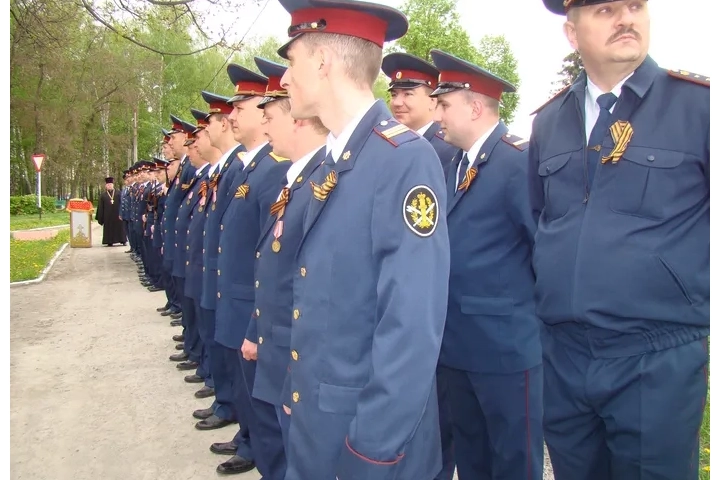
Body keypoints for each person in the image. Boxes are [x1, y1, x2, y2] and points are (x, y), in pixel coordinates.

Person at [530, 1, 710, 479]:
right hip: (565, 355)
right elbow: (539, 221)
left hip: (654, 356)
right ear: (573, 32)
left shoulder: (698, 106)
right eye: (607, 9)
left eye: (635, 5)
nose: (626, 19)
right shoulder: (548, 122)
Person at [276, 1, 451, 478]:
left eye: (291, 62)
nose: (285, 79)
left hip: (365, 441)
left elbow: (411, 327)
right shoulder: (337, 158)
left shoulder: (403, 160)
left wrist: (371, 452)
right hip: (317, 423)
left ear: (322, 62)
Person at [429, 48, 543, 480]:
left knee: (515, 461)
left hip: (507, 349)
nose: (437, 114)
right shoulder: (453, 162)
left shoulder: (517, 162)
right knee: (473, 458)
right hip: (458, 345)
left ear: (475, 107)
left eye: (444, 104)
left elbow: (541, 251)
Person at [240, 56, 327, 480]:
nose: (265, 124)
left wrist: (295, 370)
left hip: (297, 358)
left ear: (298, 121)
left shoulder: (320, 182)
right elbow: (274, 269)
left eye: (271, 115)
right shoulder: (296, 178)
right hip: (278, 347)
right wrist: (257, 330)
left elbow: (309, 286)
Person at [381, 50, 456, 480]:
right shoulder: (395, 149)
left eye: (410, 92)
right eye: (394, 93)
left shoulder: (442, 150)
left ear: (434, 98)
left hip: (443, 314)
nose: (399, 101)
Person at [382, 52, 457, 170]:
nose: (397, 102)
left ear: (432, 101)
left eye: (408, 94)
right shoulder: (388, 141)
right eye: (394, 94)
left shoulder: (448, 149)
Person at [95, 176, 126, 246]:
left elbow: (122, 203)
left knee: (120, 228)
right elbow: (100, 207)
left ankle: (123, 240)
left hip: (118, 214)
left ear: (113, 185)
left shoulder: (119, 193)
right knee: (108, 228)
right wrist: (101, 218)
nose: (109, 186)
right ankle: (109, 241)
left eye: (110, 184)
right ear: (106, 186)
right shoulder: (103, 195)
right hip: (107, 216)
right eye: (108, 185)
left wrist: (122, 213)